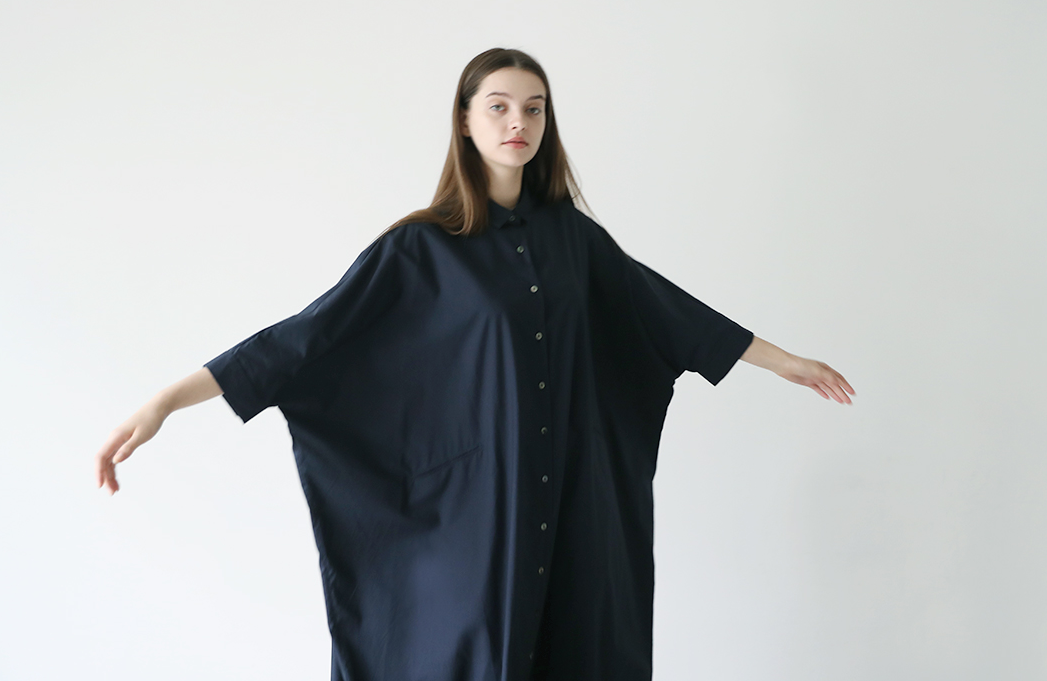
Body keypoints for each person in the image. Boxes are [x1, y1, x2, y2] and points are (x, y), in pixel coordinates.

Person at [95, 48, 855, 681]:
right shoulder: (419, 249)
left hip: (574, 512)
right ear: (464, 121)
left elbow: (665, 313)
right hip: (472, 520)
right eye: (498, 106)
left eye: (534, 108)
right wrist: (167, 401)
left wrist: (780, 361)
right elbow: (305, 340)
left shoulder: (576, 242)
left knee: (579, 645)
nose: (518, 122)